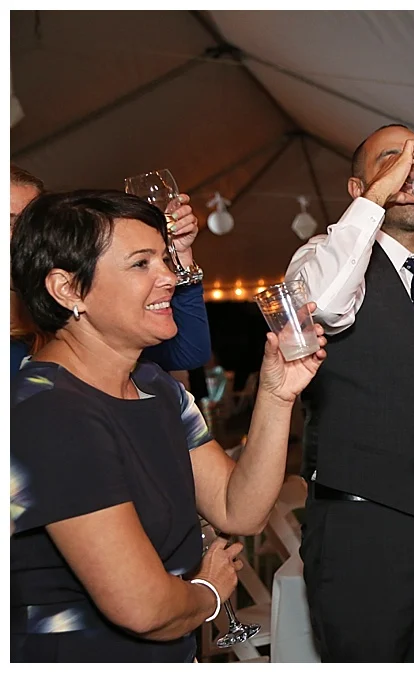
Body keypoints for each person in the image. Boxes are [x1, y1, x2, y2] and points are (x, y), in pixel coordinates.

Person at [10, 190, 326, 662]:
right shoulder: (49, 410)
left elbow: (238, 509)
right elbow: (145, 608)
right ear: (68, 290)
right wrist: (208, 592)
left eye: (166, 259)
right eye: (142, 264)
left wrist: (277, 395)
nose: (170, 277)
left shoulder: (154, 386)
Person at [285, 124, 414, 662]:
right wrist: (377, 199)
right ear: (356, 188)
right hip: (357, 523)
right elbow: (320, 306)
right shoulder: (319, 256)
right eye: (393, 159)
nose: (412, 169)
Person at [10, 164, 212, 377]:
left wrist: (179, 258)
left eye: (32, 222)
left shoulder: (69, 317)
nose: (23, 235)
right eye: (9, 222)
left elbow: (189, 353)